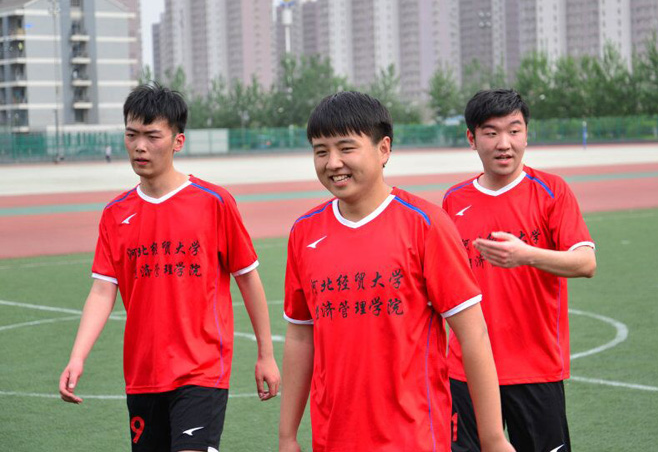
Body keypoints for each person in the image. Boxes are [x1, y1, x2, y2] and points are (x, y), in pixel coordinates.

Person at [278, 91, 514, 452]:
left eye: (346, 148)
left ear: (384, 149)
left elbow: (473, 335)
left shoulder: (426, 224)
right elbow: (300, 337)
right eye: (321, 151)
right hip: (333, 437)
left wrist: (494, 438)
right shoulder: (304, 232)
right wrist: (287, 436)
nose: (333, 162)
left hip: (413, 437)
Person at [58, 83, 280, 452]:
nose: (139, 146)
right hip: (143, 374)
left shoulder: (214, 202)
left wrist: (266, 355)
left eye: (152, 136)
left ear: (178, 142)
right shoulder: (115, 214)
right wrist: (77, 358)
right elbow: (102, 290)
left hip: (201, 371)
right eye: (132, 135)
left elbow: (248, 278)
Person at [443, 89, 596, 452]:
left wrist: (526, 255)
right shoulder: (454, 200)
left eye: (514, 130)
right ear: (471, 138)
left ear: (527, 134)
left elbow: (585, 262)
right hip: (466, 368)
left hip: (534, 366)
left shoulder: (551, 191)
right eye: (491, 132)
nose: (504, 143)